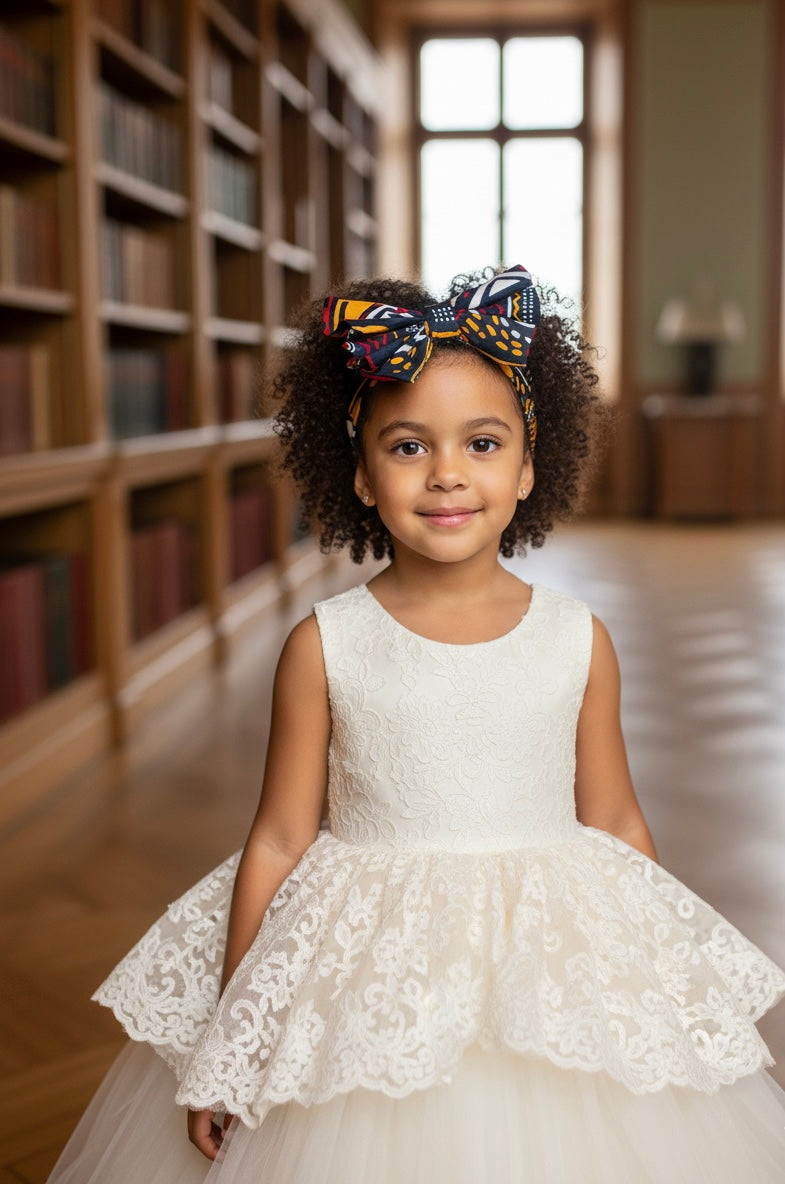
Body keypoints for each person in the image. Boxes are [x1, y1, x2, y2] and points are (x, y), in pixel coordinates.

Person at [48, 266, 785, 1183]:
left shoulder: (576, 639)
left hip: (543, 972)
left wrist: (668, 990)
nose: (446, 473)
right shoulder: (325, 645)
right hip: (364, 985)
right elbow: (279, 840)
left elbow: (616, 821)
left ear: (527, 467)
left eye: (481, 443)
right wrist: (232, 1038)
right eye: (407, 447)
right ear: (358, 473)